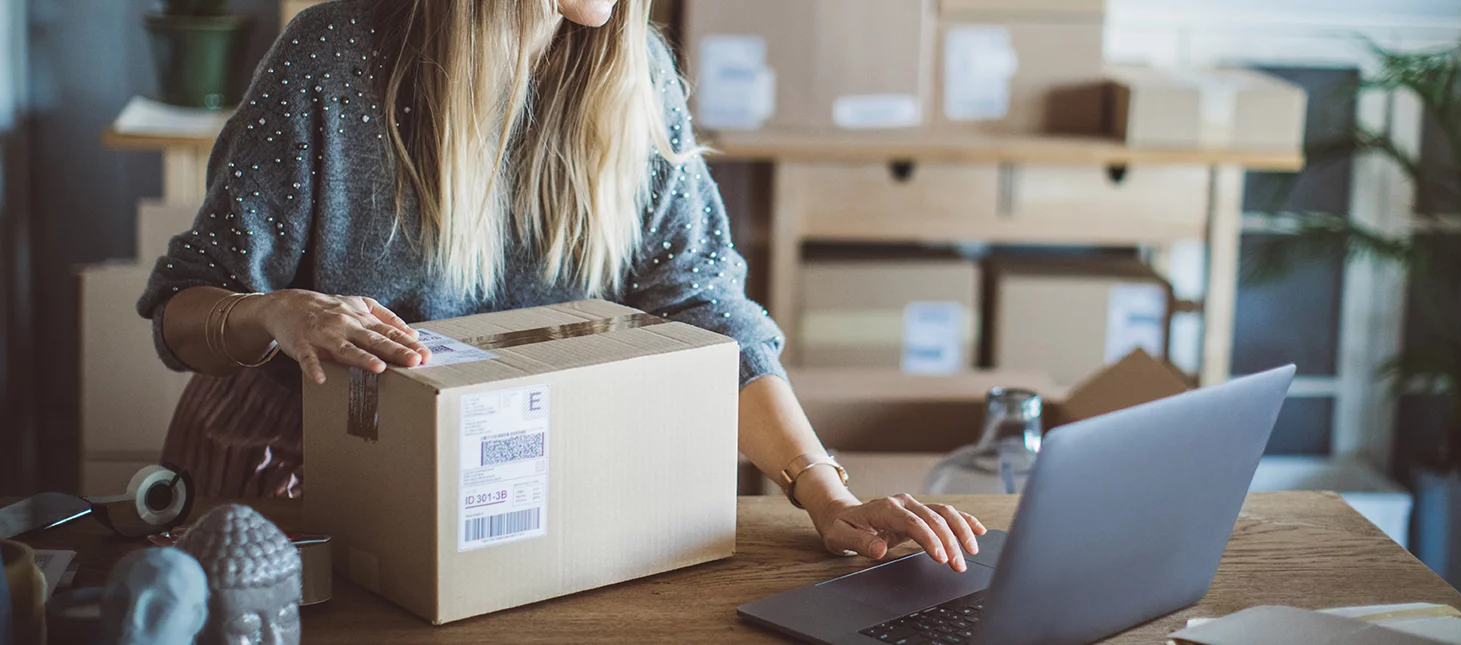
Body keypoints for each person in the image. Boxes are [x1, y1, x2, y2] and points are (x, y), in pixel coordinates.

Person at [138, 0, 984, 572]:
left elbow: (707, 317)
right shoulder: (332, 56)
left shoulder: (634, 80)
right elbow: (182, 312)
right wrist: (277, 311)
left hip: (507, 481)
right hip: (295, 475)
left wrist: (827, 494)